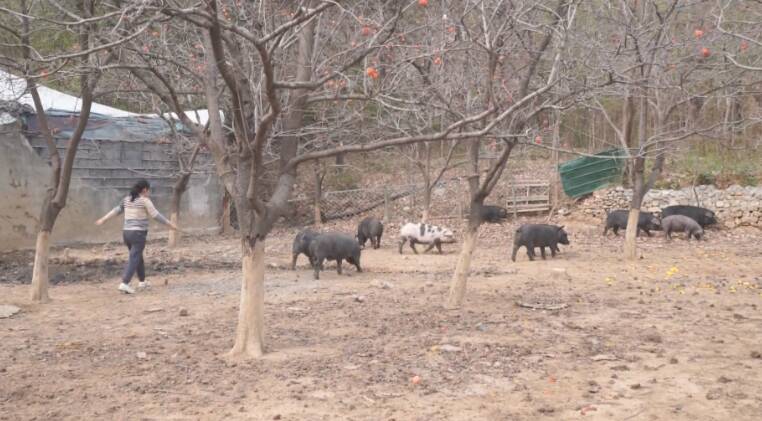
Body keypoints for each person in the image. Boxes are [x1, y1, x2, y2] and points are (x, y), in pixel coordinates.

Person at [95, 179, 179, 294]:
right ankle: (124, 283)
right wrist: (170, 224)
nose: (149, 192)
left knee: (137, 256)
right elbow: (156, 215)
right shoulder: (145, 201)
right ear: (144, 190)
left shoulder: (127, 199)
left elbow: (116, 210)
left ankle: (142, 281)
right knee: (134, 258)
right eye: (148, 190)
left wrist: (103, 219)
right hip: (138, 234)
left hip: (127, 233)